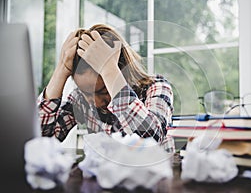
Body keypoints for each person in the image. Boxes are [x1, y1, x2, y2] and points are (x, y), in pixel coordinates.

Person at [37, 24, 174, 152]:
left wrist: (109, 70)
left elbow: (150, 140)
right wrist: (61, 70)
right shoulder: (80, 99)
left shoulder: (157, 87)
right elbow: (40, 139)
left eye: (103, 91)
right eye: (87, 93)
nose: (96, 102)